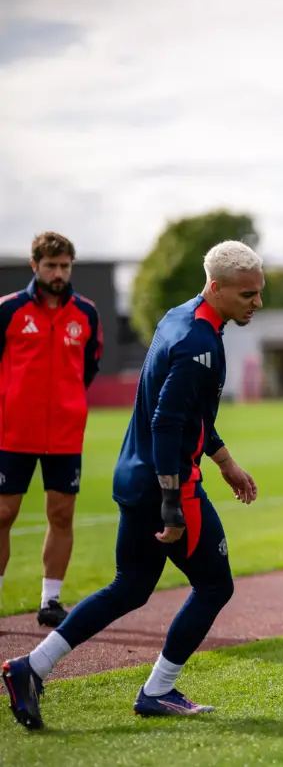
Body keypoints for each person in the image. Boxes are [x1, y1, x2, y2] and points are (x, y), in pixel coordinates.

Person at [3, 241, 263, 730]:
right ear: (217, 288)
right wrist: (171, 502)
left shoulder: (180, 317)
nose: (257, 303)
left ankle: (29, 667)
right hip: (166, 485)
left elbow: (188, 417)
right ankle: (158, 689)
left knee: (131, 587)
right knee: (214, 584)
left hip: (136, 473)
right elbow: (168, 423)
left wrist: (225, 462)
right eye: (248, 294)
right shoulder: (200, 345)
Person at [0, 232, 102, 627]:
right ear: (34, 266)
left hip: (64, 434)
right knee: (4, 514)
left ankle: (50, 601)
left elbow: (89, 367)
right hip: (13, 433)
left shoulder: (87, 314)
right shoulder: (9, 310)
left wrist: (68, 401)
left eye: (64, 266)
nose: (58, 273)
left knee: (61, 515)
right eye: (51, 265)